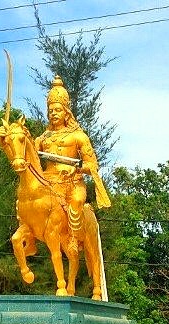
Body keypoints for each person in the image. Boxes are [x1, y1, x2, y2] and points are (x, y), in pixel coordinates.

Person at [35, 76, 111, 252]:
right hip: (48, 183)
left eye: (57, 110)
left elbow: (92, 164)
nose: (53, 113)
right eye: (50, 110)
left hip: (72, 183)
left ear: (66, 112)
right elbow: (27, 154)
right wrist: (6, 138)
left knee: (76, 202)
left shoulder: (78, 136)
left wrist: (75, 167)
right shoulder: (43, 137)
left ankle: (74, 240)